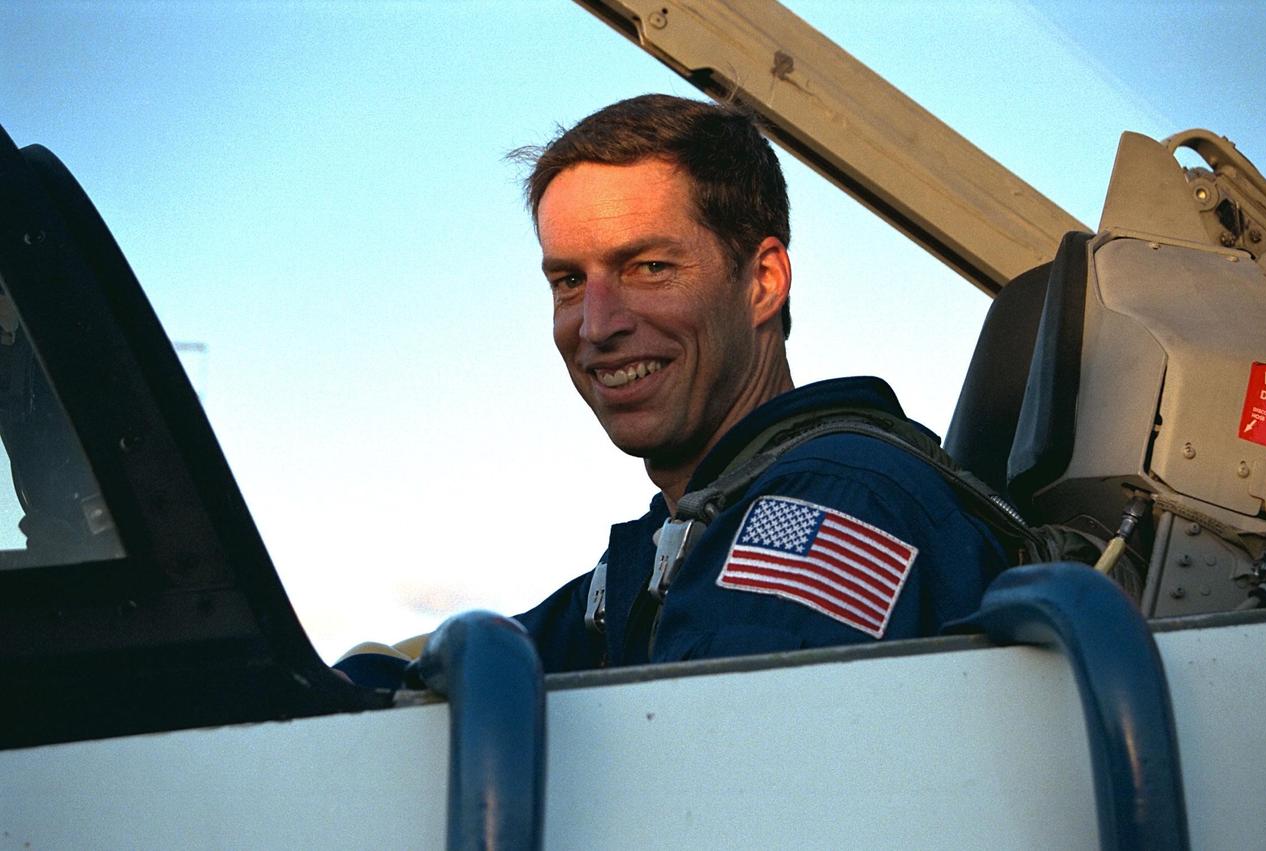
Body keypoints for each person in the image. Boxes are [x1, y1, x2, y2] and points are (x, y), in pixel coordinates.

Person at [336, 94, 1005, 685]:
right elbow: (470, 663)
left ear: (763, 282)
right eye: (569, 281)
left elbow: (723, 791)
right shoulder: (679, 537)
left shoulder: (822, 509)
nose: (597, 325)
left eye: (650, 267)